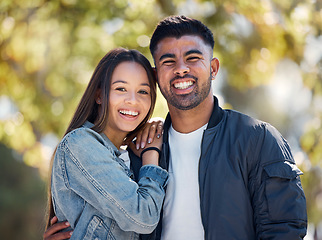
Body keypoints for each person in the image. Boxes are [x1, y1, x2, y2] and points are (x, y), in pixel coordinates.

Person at [45, 16, 307, 240]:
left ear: (213, 68)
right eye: (168, 61)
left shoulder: (257, 139)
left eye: (193, 58)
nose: (181, 69)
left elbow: (284, 230)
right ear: (157, 74)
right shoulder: (137, 152)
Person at [44, 48, 168, 240]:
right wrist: (151, 152)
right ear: (99, 95)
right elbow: (144, 217)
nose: (133, 101)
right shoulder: (80, 144)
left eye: (143, 91)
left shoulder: (126, 155)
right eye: (121, 89)